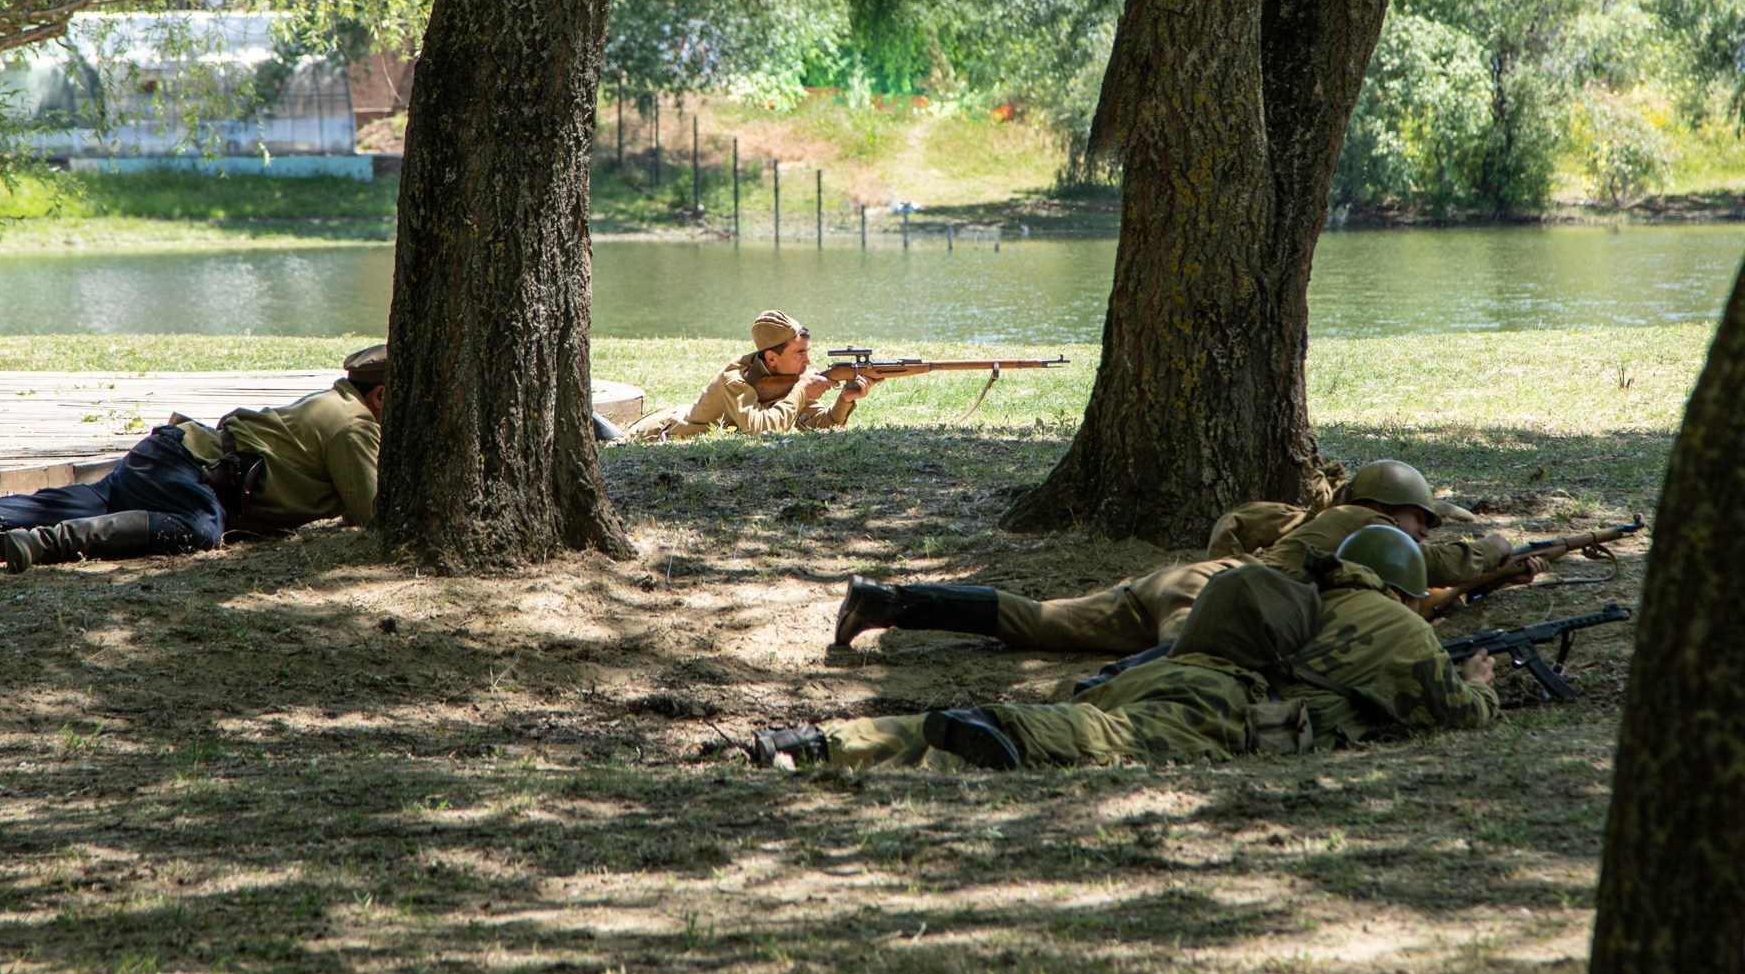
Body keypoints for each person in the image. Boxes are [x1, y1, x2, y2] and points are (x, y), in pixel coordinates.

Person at [750, 525, 1500, 772]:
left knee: (1042, 640)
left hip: (1170, 665)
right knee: (1099, 736)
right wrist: (1483, 678)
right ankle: (1002, 732)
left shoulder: (1315, 587)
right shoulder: (1400, 625)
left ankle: (815, 741)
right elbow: (1456, 713)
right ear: (1408, 586)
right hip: (1217, 703)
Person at [0, 344, 389, 573]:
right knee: (202, 530)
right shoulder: (355, 428)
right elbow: (374, 515)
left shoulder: (332, 406)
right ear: (382, 395)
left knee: (5, 510)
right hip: (187, 479)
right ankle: (53, 544)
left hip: (163, 463)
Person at [831, 458, 1540, 653]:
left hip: (1183, 580)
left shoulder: (1324, 521)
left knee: (1042, 620)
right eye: (1422, 519)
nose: (1424, 532)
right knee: (1181, 678)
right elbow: (1441, 565)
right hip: (1218, 601)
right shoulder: (1362, 524)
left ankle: (889, 600)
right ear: (1397, 507)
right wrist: (1496, 551)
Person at [624, 309, 874, 441]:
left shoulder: (791, 377)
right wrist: (800, 392)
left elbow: (817, 425)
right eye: (799, 353)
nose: (808, 361)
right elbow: (760, 430)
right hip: (657, 432)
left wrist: (845, 400)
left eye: (807, 352)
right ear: (772, 358)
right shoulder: (736, 379)